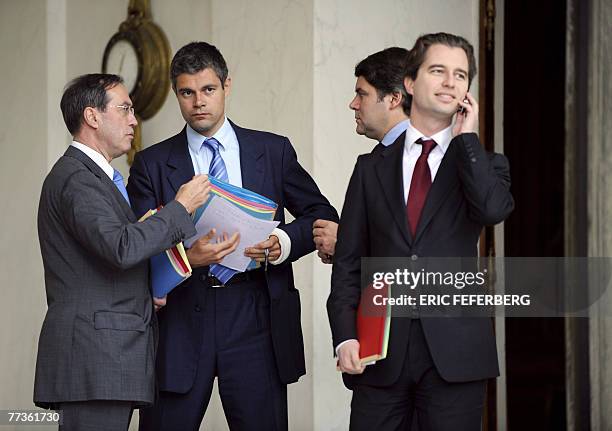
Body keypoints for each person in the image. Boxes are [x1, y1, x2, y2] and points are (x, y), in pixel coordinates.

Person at [127, 42, 339, 431]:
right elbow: (138, 247)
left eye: (208, 90)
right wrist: (189, 255)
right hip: (181, 317)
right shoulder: (151, 164)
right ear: (177, 94)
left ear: (227, 85)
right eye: (187, 93)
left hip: (256, 311)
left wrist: (284, 243)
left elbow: (321, 214)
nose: (198, 103)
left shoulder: (273, 151)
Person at [327, 33, 515, 430]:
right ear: (410, 84)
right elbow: (347, 263)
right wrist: (345, 337)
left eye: (460, 74)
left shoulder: (484, 163)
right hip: (379, 359)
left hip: (456, 357)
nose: (450, 81)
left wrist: (466, 141)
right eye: (438, 70)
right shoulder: (370, 168)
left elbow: (493, 209)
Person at [33, 73, 210, 431]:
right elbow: (121, 247)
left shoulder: (95, 178)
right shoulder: (77, 178)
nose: (134, 120)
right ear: (92, 117)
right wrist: (180, 207)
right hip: (94, 358)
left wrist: (148, 290)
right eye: (125, 109)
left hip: (107, 357)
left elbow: (106, 258)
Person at [314, 47, 411, 263]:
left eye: (362, 94)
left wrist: (346, 243)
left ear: (394, 99)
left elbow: (418, 253)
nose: (353, 104)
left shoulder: (421, 157)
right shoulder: (372, 161)